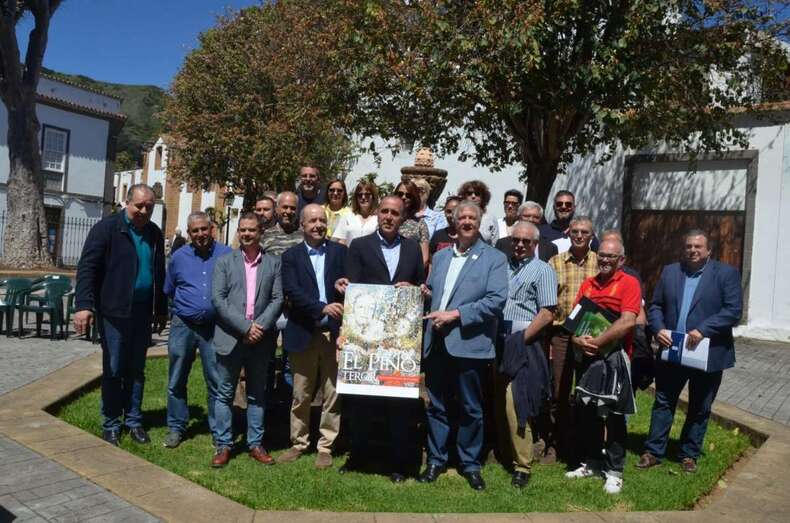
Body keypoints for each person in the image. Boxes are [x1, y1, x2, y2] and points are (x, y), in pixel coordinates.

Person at [334, 195, 425, 482]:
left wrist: (413, 288)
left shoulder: (412, 250)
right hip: (365, 339)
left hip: (400, 342)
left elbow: (420, 287)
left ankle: (398, 464)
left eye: (394, 213)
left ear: (402, 218)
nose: (388, 217)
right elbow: (352, 290)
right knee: (361, 402)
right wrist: (344, 334)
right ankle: (357, 457)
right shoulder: (360, 246)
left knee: (399, 404)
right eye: (384, 211)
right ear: (377, 214)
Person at [419, 201, 508, 491]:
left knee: (471, 408)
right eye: (462, 218)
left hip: (469, 343)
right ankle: (436, 459)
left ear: (479, 222)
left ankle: (470, 464)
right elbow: (436, 294)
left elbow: (496, 301)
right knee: (437, 406)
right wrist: (420, 292)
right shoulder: (442, 256)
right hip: (437, 342)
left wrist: (455, 315)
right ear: (454, 223)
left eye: (472, 217)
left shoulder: (494, 258)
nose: (467, 221)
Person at [637, 229, 742, 473]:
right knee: (663, 401)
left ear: (708, 251)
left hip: (707, 351)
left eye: (698, 246)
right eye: (688, 246)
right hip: (672, 348)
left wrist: (704, 329)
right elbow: (656, 306)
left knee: (700, 406)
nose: (693, 250)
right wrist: (658, 328)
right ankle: (653, 451)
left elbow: (733, 310)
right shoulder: (671, 271)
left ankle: (688, 454)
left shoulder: (726, 274)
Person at [74, 184, 167, 446]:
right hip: (114, 312)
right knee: (114, 368)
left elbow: (159, 273)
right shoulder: (107, 228)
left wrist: (160, 308)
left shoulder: (154, 233)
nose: (144, 210)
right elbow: (87, 268)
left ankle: (134, 421)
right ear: (127, 202)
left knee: (137, 370)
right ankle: (111, 422)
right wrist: (84, 305)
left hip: (141, 312)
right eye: (139, 205)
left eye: (149, 206)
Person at [565, 237, 640, 495]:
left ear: (622, 260)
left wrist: (597, 342)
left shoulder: (629, 283)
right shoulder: (588, 284)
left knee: (615, 415)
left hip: (616, 358)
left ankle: (615, 471)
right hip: (588, 357)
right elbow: (573, 322)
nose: (605, 260)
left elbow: (628, 322)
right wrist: (577, 339)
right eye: (602, 255)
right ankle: (594, 462)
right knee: (588, 412)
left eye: (611, 256)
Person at [210, 213, 283, 467]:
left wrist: (258, 327)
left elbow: (277, 299)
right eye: (242, 230)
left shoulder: (273, 263)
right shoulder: (224, 262)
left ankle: (255, 443)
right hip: (231, 336)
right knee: (225, 394)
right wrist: (244, 327)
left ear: (260, 232)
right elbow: (218, 299)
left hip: (260, 339)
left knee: (257, 394)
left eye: (251, 230)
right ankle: (223, 445)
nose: (246, 234)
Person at [278, 204, 347, 469]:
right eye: (312, 221)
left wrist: (344, 286)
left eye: (322, 220)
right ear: (302, 225)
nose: (318, 225)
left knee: (333, 393)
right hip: (303, 331)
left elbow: (350, 282)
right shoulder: (291, 256)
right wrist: (321, 307)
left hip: (334, 334)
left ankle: (326, 446)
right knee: (301, 393)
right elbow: (292, 292)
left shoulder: (341, 252)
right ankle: (299, 442)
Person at [163, 211, 232, 448]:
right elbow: (170, 289)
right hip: (184, 324)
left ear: (212, 228)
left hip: (215, 327)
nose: (200, 234)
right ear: (189, 233)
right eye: (195, 231)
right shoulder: (179, 257)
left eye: (204, 229)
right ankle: (176, 426)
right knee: (176, 378)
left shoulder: (226, 254)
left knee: (215, 379)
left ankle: (217, 429)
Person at [496, 221, 556, 489]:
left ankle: (523, 464)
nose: (519, 245)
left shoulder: (543, 271)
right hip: (497, 339)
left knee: (516, 401)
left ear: (536, 244)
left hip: (524, 341)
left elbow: (547, 314)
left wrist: (521, 340)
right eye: (516, 240)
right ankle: (500, 452)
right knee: (495, 398)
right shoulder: (501, 266)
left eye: (526, 241)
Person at [543, 215, 598, 462]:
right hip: (561, 335)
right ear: (568, 234)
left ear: (591, 236)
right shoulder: (554, 262)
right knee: (559, 391)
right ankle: (557, 444)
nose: (578, 236)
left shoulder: (600, 263)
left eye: (584, 232)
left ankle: (585, 444)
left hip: (592, 335)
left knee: (588, 391)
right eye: (575, 231)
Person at [394, 180, 430, 266]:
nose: (403, 197)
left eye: (408, 195)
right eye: (400, 194)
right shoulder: (387, 219)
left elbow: (424, 258)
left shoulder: (420, 224)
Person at [331, 180, 379, 245]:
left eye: (367, 194)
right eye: (360, 195)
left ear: (373, 197)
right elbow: (337, 239)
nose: (363, 197)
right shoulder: (348, 216)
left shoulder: (378, 218)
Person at [261, 192, 303, 257]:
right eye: (285, 207)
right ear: (276, 209)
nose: (288, 211)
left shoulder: (305, 236)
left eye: (293, 208)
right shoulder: (265, 235)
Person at [457, 180, 498, 244]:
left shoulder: (491, 218)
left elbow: (494, 244)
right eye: (469, 193)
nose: (473, 196)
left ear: (483, 197)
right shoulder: (458, 216)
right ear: (464, 196)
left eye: (477, 194)